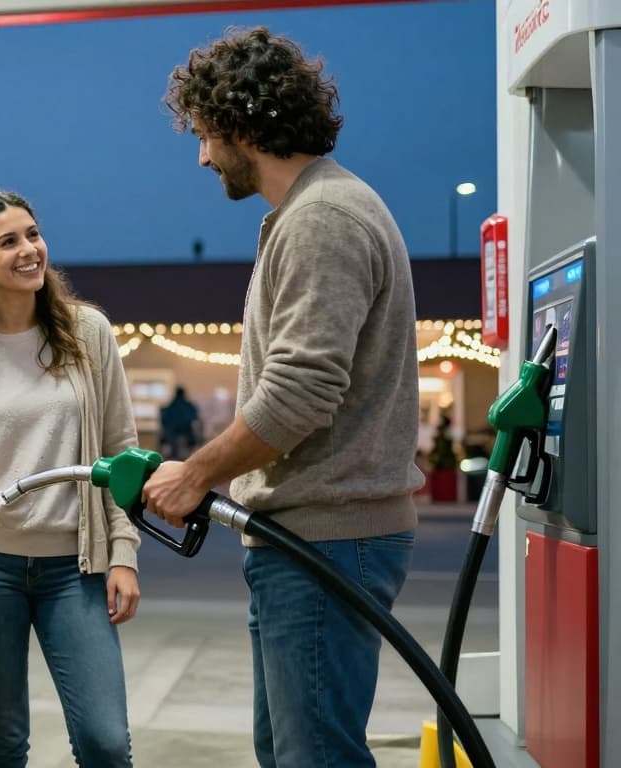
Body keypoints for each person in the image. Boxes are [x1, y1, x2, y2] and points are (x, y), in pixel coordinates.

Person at [146, 27, 425, 768]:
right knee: (292, 753)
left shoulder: (321, 220)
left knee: (316, 759)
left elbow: (300, 393)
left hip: (326, 535)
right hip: (309, 537)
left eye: (205, 135)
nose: (203, 156)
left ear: (242, 125)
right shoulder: (314, 213)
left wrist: (195, 472)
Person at [0, 189, 141, 768]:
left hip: (77, 568)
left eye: (33, 235)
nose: (29, 250)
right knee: (4, 745)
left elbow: (120, 452)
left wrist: (124, 553)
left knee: (105, 742)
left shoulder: (87, 334)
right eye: (8, 241)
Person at [159, 386, 202, 460]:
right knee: (191, 444)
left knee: (170, 447)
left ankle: (173, 457)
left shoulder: (170, 406)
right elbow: (195, 417)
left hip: (172, 434)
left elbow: (163, 420)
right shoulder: (188, 406)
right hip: (186, 432)